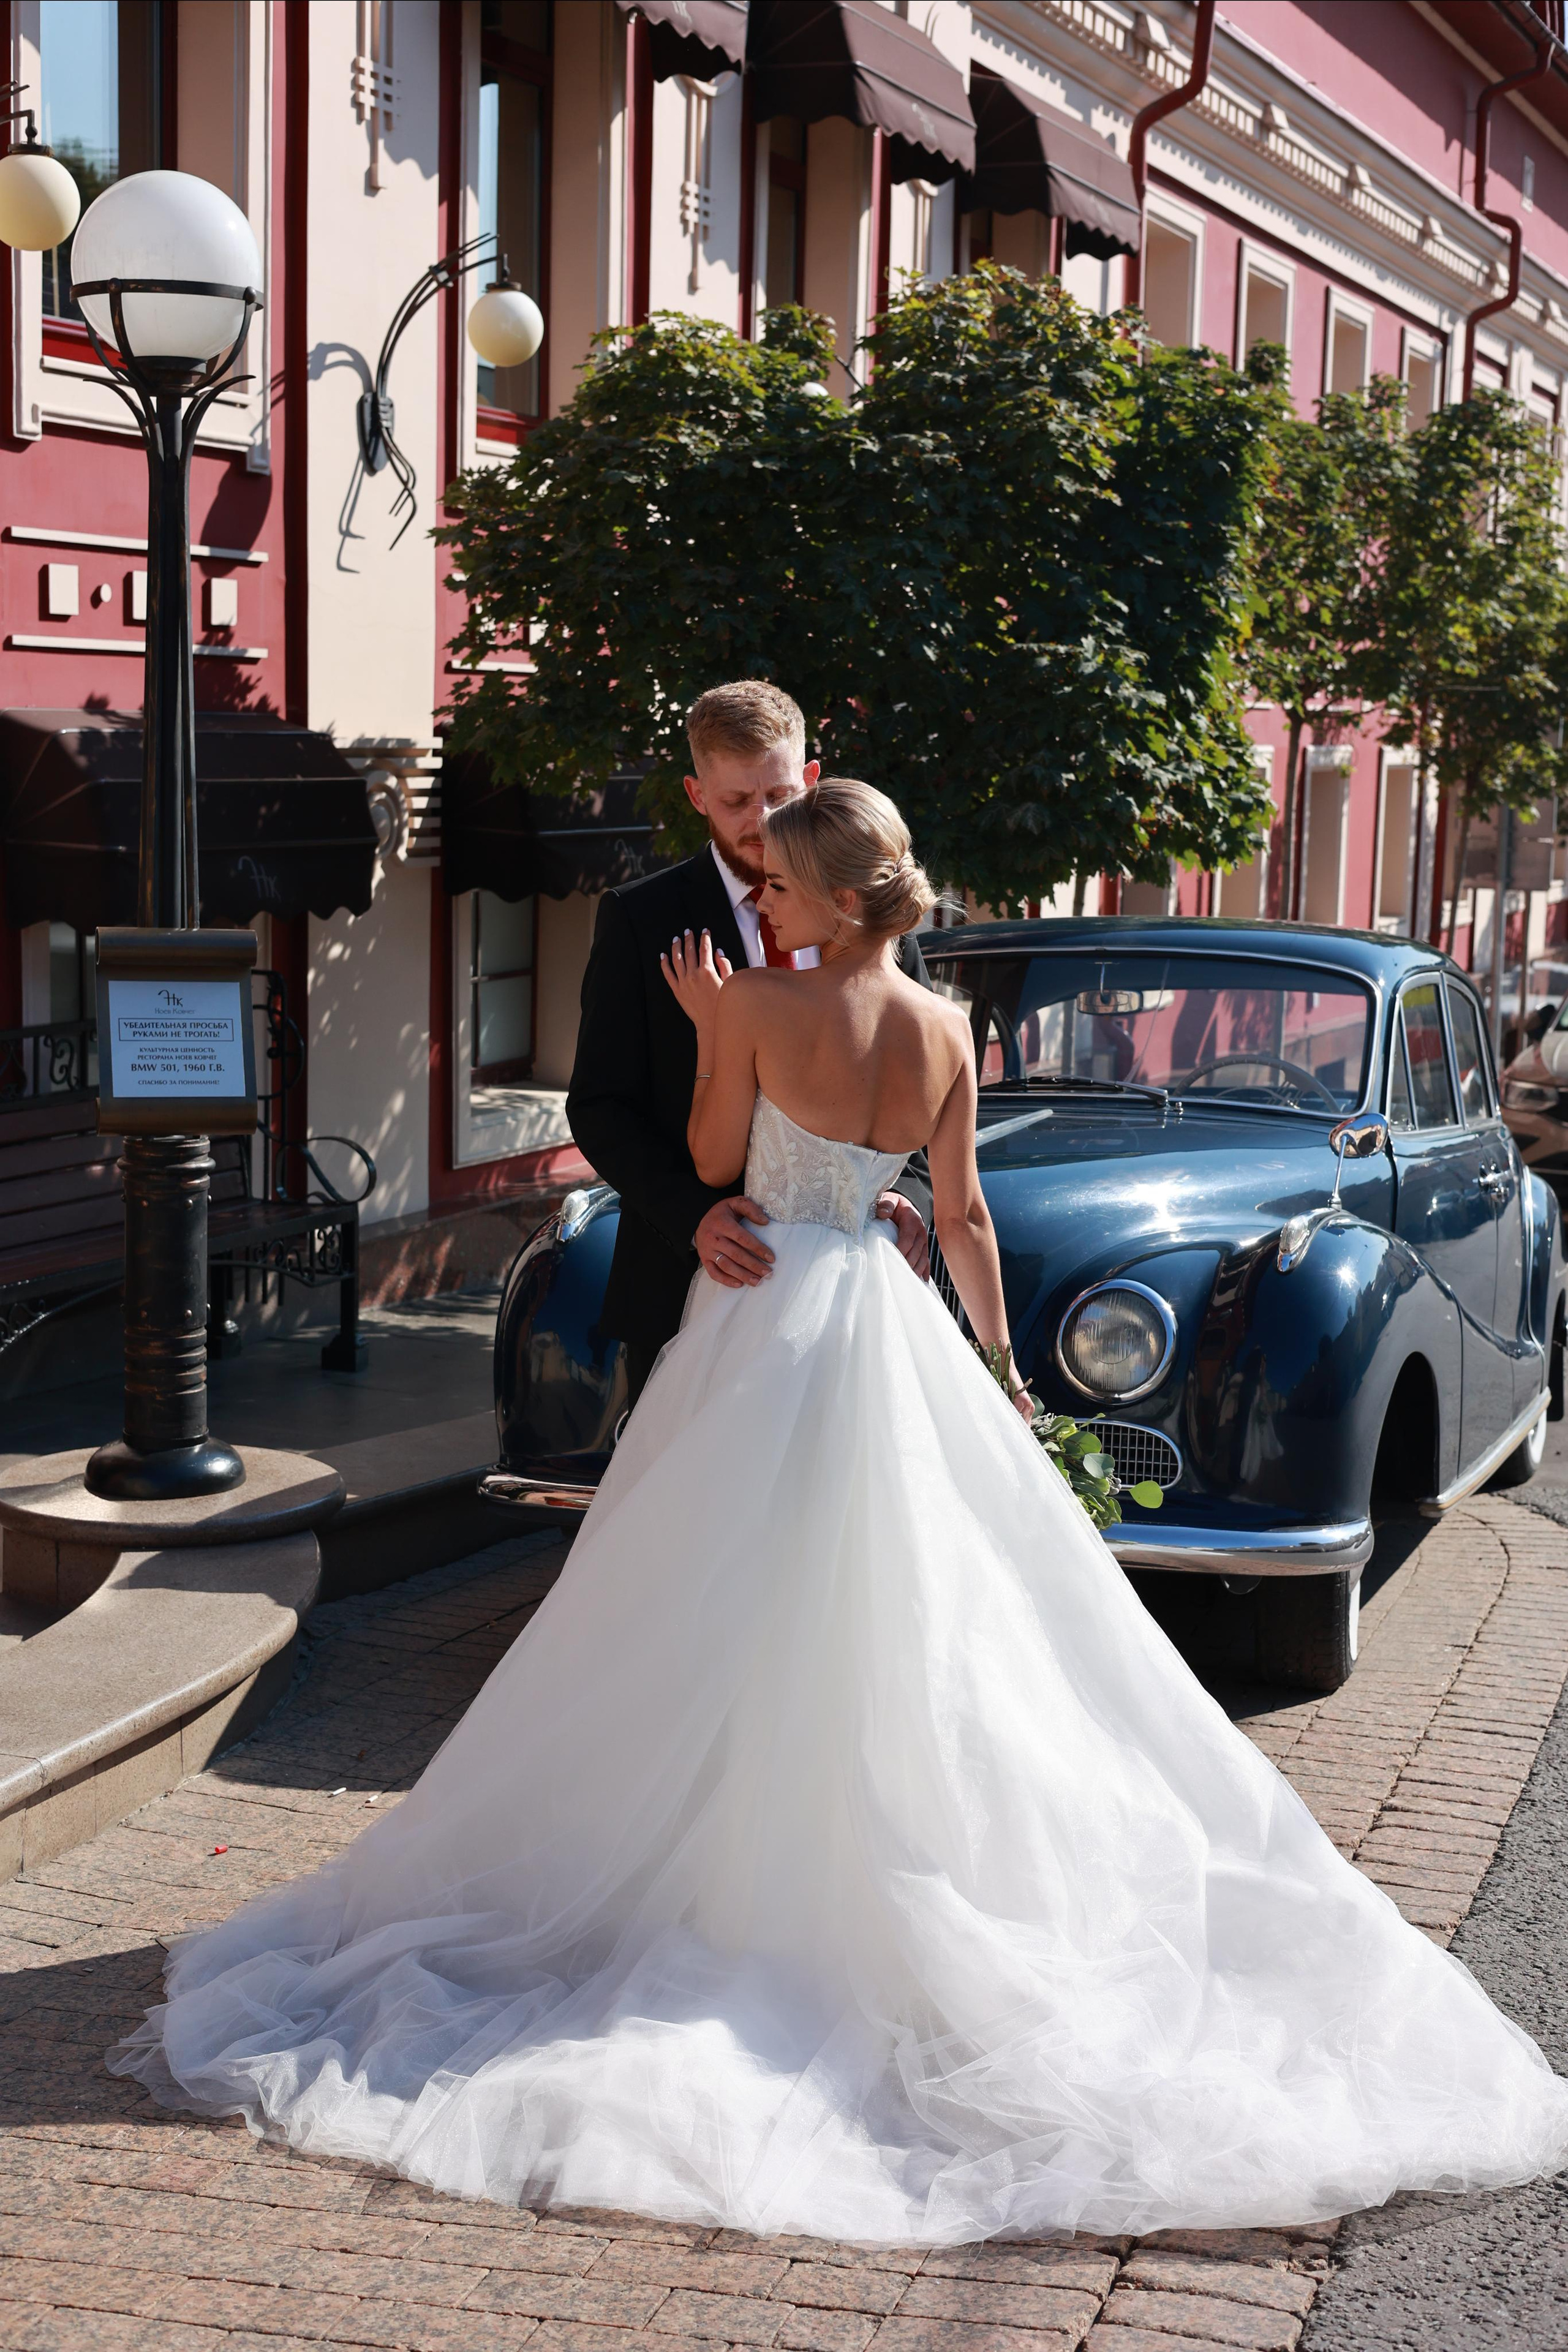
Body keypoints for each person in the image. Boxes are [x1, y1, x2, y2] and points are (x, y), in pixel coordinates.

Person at [109, 780, 1568, 2243]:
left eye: (780, 887)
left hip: (764, 1317)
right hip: (894, 1319)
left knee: (700, 1599)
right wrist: (1000, 1370)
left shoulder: (748, 999)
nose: (764, 903)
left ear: (826, 894)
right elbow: (963, 1217)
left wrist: (707, 1033)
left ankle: (706, 1882)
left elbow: (712, 1164)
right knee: (914, 1615)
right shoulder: (944, 1031)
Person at [566, 678, 930, 1404]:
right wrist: (690, 1218)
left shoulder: (873, 924)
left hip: (851, 1298)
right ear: (697, 795)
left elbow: (917, 1086)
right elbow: (600, 1105)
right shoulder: (641, 921)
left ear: (812, 778)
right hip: (681, 1285)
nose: (761, 822)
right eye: (735, 802)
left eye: (779, 795)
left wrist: (907, 1193)